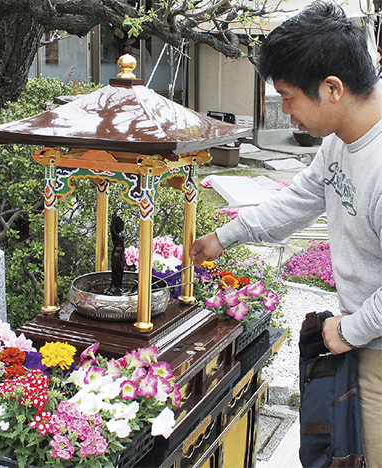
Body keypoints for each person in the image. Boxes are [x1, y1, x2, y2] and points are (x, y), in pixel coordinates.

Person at [190, 2, 382, 466]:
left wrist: (349, 331)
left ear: (332, 89)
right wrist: (225, 236)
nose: (285, 111)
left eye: (288, 96)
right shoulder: (340, 140)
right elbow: (300, 199)